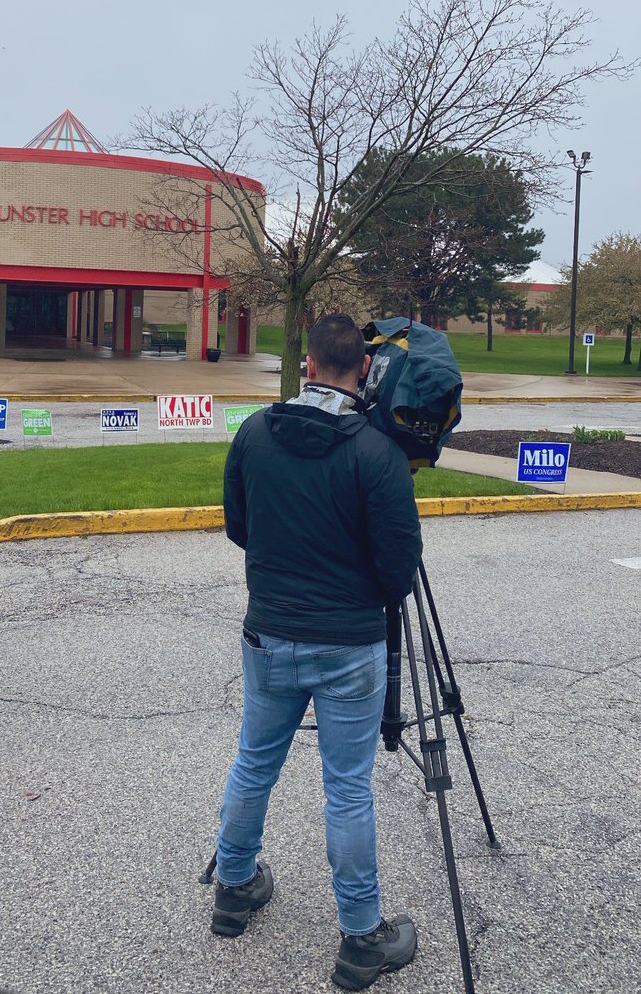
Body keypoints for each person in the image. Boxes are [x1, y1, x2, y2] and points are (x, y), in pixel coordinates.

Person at [212, 313, 423, 991]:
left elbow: (238, 527)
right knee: (347, 788)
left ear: (306, 365)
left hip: (270, 633)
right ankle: (361, 937)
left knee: (254, 762)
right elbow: (399, 573)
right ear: (363, 370)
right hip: (349, 645)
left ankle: (234, 886)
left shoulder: (253, 433)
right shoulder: (377, 453)